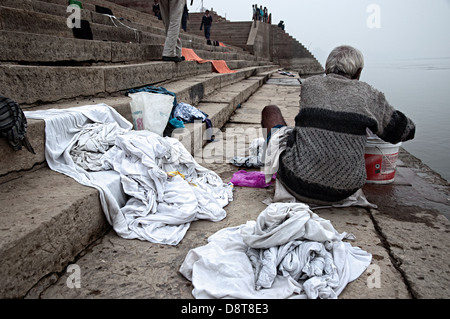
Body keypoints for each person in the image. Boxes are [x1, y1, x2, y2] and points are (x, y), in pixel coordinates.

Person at [261, 45, 416, 205]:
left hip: (297, 184)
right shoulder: (369, 94)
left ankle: (271, 167)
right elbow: (405, 132)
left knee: (270, 112)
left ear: (327, 68)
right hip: (344, 191)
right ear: (358, 72)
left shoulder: (309, 85)